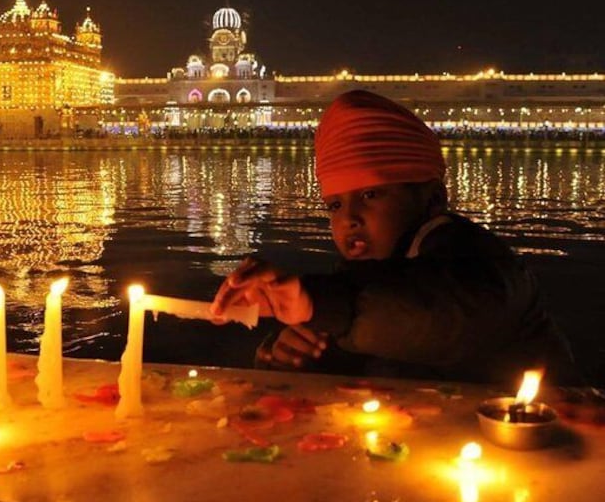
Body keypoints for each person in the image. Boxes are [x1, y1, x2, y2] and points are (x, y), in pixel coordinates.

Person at [210, 90, 581, 387]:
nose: (349, 219)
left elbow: (442, 315)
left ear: (433, 198)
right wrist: (286, 355)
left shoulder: (479, 261)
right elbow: (371, 341)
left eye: (371, 195)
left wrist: (318, 304)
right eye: (335, 205)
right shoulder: (369, 276)